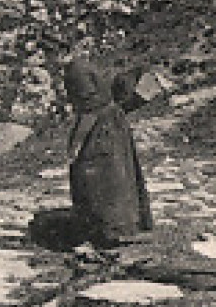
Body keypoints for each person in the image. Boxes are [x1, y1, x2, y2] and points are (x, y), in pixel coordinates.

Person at [63, 56, 153, 247]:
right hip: (111, 124)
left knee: (96, 176)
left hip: (101, 129)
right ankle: (122, 225)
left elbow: (90, 109)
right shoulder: (82, 65)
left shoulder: (76, 70)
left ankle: (107, 230)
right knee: (117, 174)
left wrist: (76, 143)